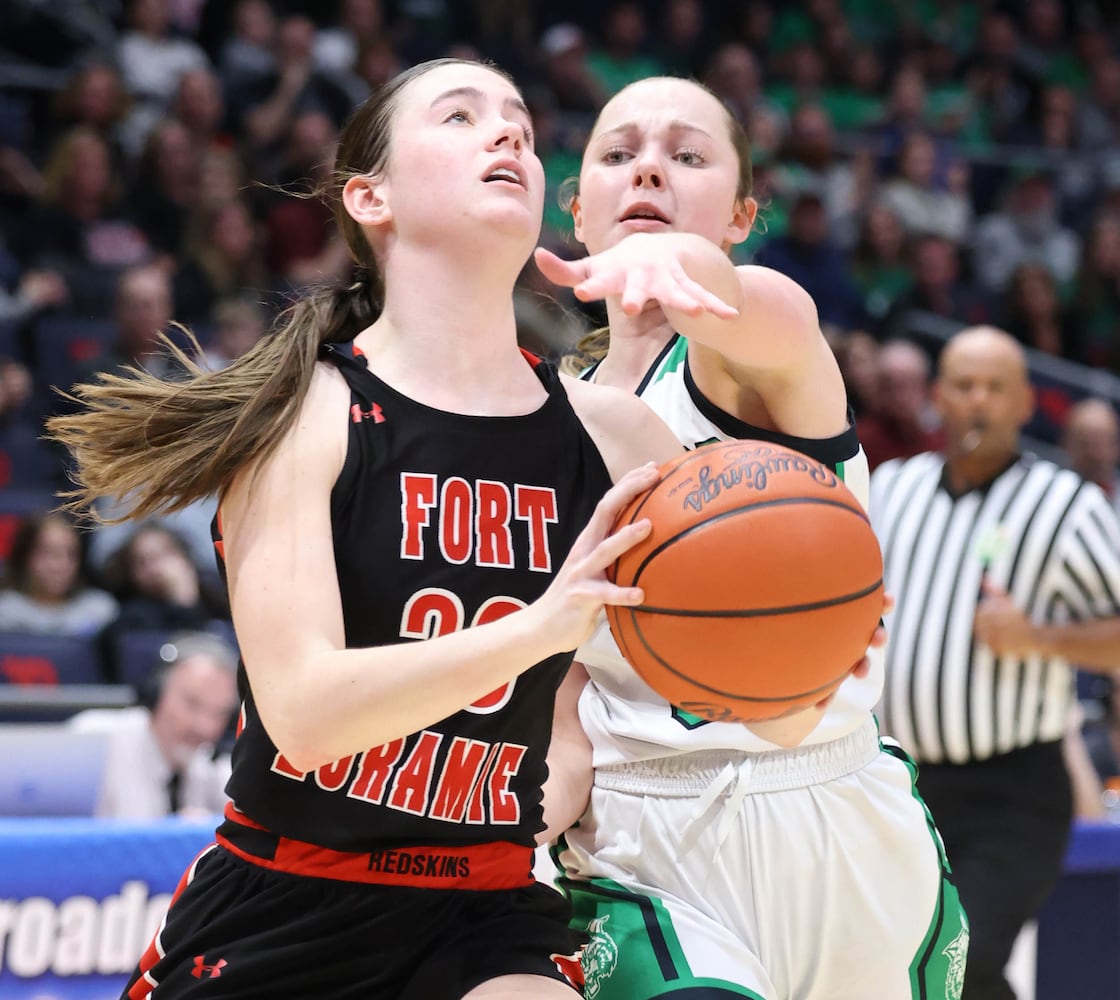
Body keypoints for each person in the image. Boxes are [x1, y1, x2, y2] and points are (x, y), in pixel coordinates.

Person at [47, 58, 682, 1000]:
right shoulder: (305, 413)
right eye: (461, 117)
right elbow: (306, 717)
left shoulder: (621, 438)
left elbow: (576, 717)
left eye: (518, 121)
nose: (508, 133)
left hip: (490, 907)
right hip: (289, 900)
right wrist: (543, 627)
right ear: (369, 197)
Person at [535, 75, 966, 1000]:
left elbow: (773, 314)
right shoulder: (550, 414)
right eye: (618, 154)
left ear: (739, 214)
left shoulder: (751, 355)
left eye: (686, 156)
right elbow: (568, 682)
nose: (648, 164)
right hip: (647, 845)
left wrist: (697, 277)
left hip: (838, 811)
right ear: (578, 211)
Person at [869, 325, 1120, 1000]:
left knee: (964, 962)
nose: (978, 400)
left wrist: (1038, 637)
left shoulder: (1065, 505)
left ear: (1025, 403)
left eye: (995, 387)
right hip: (898, 785)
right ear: (937, 398)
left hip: (1011, 791)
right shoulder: (890, 487)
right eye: (963, 384)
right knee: (891, 972)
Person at [68, 631, 239, 818]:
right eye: (192, 704)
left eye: (220, 713)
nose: (205, 727)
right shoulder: (93, 738)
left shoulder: (206, 763)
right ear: (155, 694)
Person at [0, 511, 119, 640]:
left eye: (71, 554)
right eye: (49, 553)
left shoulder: (100, 611)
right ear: (25, 557)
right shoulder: (5, 611)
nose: (61, 566)